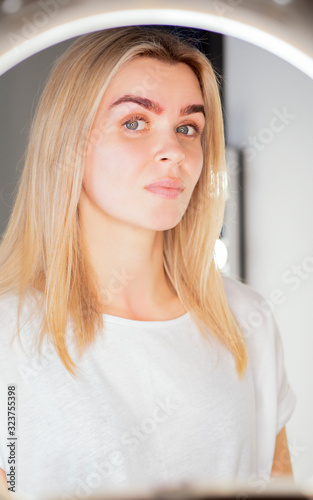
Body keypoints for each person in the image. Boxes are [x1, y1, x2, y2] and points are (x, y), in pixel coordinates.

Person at [0, 26, 296, 500]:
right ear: (68, 142)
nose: (173, 152)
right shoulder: (8, 332)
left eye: (188, 128)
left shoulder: (246, 319)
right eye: (135, 122)